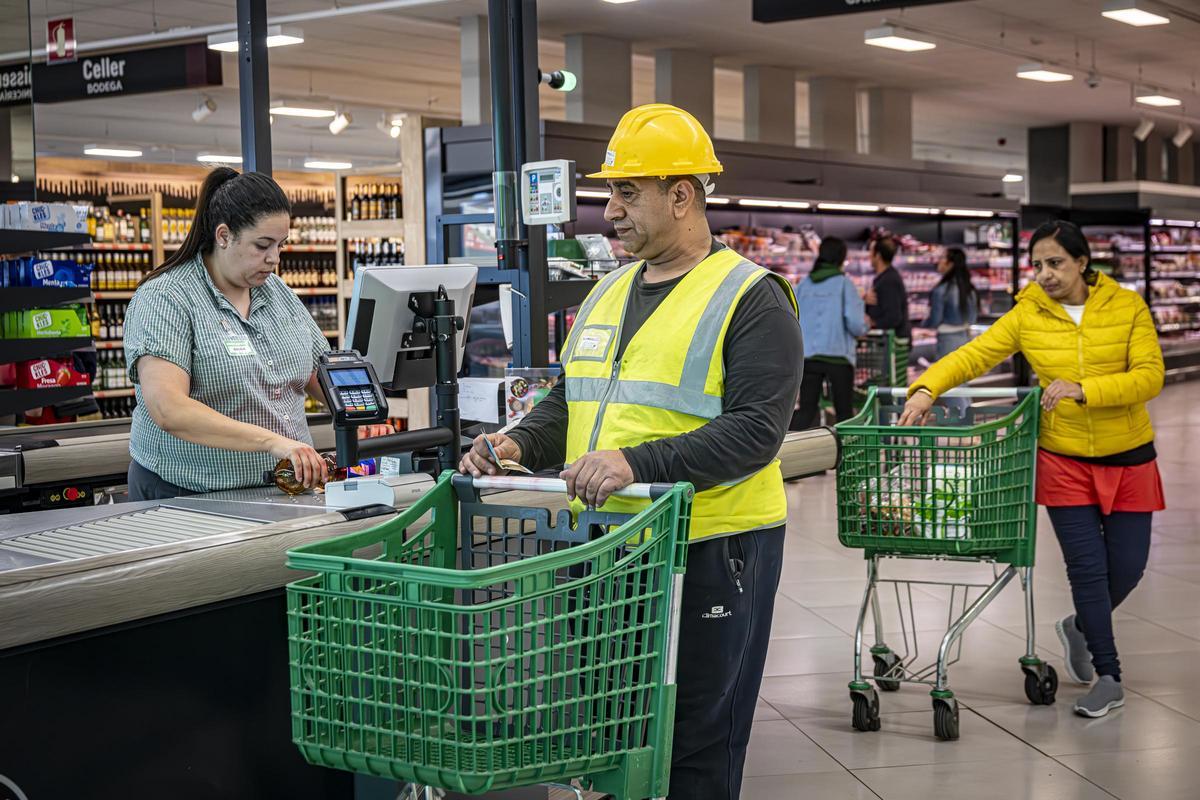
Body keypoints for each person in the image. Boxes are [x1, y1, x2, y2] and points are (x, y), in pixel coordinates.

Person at [459, 103, 803, 800]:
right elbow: (571, 396)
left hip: (711, 547)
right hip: (607, 543)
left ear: (681, 196)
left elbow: (756, 431)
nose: (608, 210)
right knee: (617, 731)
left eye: (626, 192)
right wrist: (517, 439)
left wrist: (635, 462)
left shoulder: (752, 298)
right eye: (607, 193)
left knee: (693, 742)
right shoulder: (608, 290)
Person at [899, 220, 1165, 719]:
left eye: (1056, 263)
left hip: (1129, 454)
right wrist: (927, 387)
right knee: (1087, 571)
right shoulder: (1028, 315)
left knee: (1127, 568)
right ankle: (1109, 676)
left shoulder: (1128, 307)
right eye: (1037, 264)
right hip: (1063, 458)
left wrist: (1087, 389)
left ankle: (1082, 628)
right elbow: (973, 355)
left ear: (1083, 263)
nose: (1044, 274)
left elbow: (1150, 376)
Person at [123, 168, 389, 501]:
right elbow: (168, 408)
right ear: (223, 236)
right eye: (262, 245)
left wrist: (358, 411)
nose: (274, 258)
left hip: (281, 489)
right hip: (187, 493)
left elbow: (317, 370)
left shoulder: (278, 294)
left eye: (280, 245)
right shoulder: (167, 298)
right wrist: (273, 441)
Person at [792, 236, 867, 428]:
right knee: (844, 413)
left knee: (806, 411)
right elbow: (856, 324)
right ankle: (847, 456)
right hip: (838, 359)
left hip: (808, 358)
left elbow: (793, 318)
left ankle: (792, 452)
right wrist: (865, 328)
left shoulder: (803, 285)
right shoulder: (844, 284)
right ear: (841, 258)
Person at [924, 247, 979, 417]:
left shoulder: (942, 290)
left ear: (950, 264)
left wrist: (923, 324)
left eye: (942, 259)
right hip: (965, 337)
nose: (938, 262)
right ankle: (968, 421)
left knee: (950, 383)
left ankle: (960, 423)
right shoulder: (969, 288)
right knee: (962, 382)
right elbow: (972, 318)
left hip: (947, 340)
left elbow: (934, 319)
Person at [864, 235, 910, 340]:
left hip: (892, 344)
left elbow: (894, 317)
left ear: (878, 255)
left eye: (871, 252)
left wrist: (872, 323)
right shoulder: (884, 278)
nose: (869, 256)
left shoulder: (889, 281)